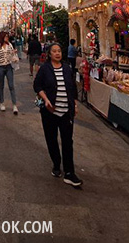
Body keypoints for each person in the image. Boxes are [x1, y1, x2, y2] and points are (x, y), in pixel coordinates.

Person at [33, 43, 82, 187]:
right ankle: (56, 163)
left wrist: (74, 104)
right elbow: (37, 85)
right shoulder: (44, 69)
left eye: (59, 51)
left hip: (66, 112)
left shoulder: (67, 69)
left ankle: (69, 172)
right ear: (49, 54)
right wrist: (46, 99)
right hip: (50, 111)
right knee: (51, 139)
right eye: (54, 51)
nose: (57, 53)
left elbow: (72, 87)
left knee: (68, 141)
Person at [0, 30, 19, 114]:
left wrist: (14, 54)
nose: (7, 38)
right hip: (0, 67)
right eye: (6, 36)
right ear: (2, 37)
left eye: (8, 37)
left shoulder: (10, 45)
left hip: (8, 67)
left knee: (11, 85)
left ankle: (14, 105)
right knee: (1, 86)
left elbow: (12, 55)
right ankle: (2, 103)